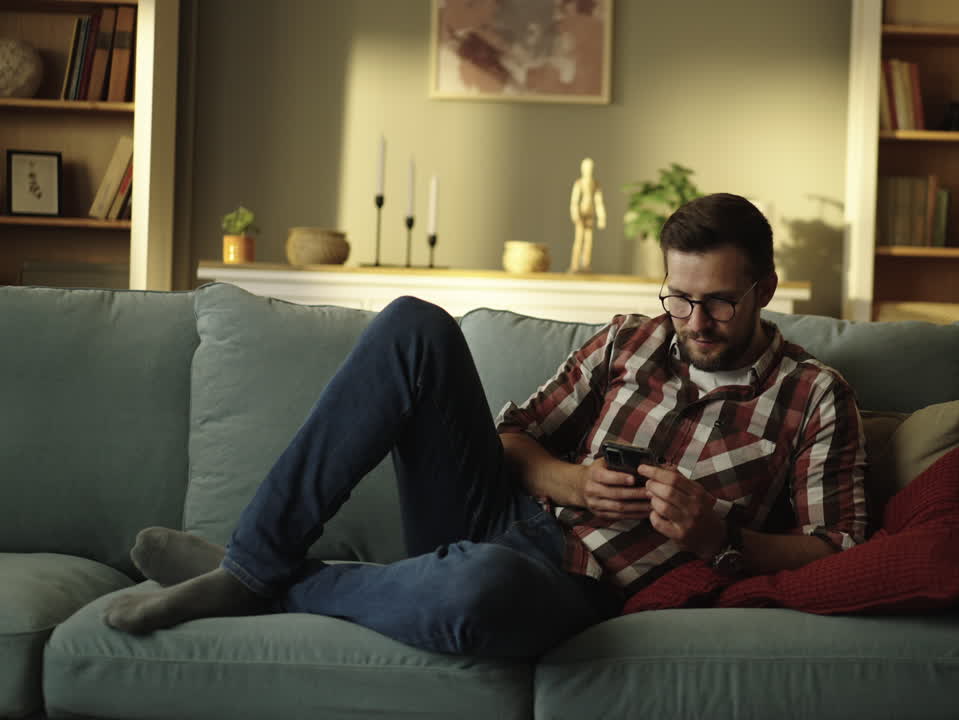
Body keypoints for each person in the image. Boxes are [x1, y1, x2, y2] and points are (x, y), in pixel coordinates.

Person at [102, 193, 866, 659]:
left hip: (573, 586)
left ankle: (260, 579)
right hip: (495, 513)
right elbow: (510, 436)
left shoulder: (815, 397)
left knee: (478, 590)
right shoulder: (629, 340)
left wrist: (717, 534)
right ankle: (253, 560)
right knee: (412, 325)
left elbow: (838, 547)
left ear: (764, 288)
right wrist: (570, 479)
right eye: (680, 298)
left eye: (720, 302)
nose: (694, 322)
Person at [568, 157, 606, 272]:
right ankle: (575, 265)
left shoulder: (595, 184)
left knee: (588, 241)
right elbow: (574, 201)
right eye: (586, 168)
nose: (588, 170)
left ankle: (586, 264)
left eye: (590, 168)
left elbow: (599, 202)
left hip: (590, 214)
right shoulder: (579, 183)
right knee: (579, 240)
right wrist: (575, 213)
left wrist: (602, 217)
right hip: (581, 214)